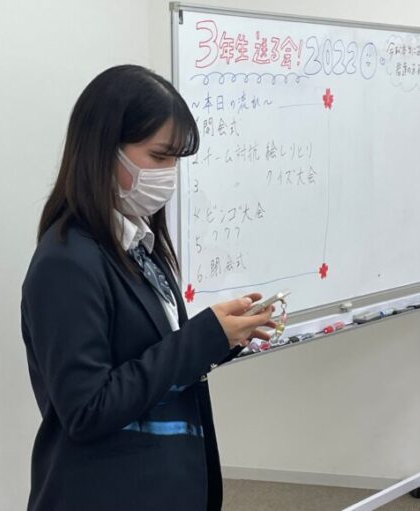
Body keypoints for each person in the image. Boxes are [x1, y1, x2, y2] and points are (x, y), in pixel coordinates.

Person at [20, 64, 274, 511]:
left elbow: (151, 357)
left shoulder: (139, 243)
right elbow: (87, 409)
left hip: (160, 482)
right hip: (105, 491)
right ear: (103, 150)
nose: (169, 174)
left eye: (175, 160)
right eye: (158, 157)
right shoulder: (66, 262)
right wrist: (200, 338)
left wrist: (224, 337)